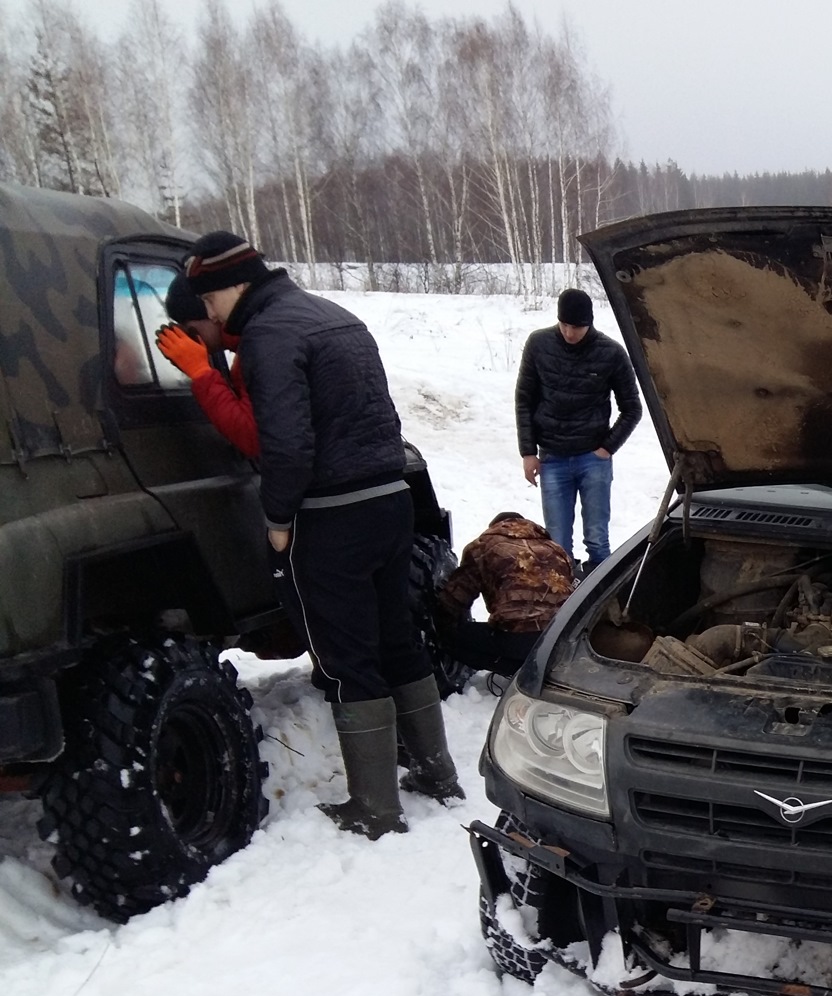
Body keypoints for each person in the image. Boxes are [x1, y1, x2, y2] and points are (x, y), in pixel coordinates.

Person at [185, 229, 463, 839]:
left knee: (345, 658)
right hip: (390, 499)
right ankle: (437, 774)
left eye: (208, 300)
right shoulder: (335, 315)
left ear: (234, 285)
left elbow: (285, 446)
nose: (210, 314)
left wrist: (278, 520)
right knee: (397, 640)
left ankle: (375, 808)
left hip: (332, 514)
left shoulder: (269, 336)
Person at [515, 288, 641, 573]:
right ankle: (564, 593)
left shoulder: (611, 353)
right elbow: (524, 400)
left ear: (589, 323)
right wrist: (528, 452)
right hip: (552, 457)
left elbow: (632, 408)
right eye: (564, 325)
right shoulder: (539, 344)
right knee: (557, 544)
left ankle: (601, 590)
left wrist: (607, 448)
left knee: (597, 539)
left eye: (577, 327)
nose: (570, 333)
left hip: (592, 458)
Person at [436, 511, 576, 675]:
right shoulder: (556, 549)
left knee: (449, 637)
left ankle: (515, 668)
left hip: (516, 640)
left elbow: (456, 597)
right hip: (559, 640)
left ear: (495, 527)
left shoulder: (483, 545)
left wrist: (439, 621)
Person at [155, 276, 257, 456]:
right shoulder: (247, 344)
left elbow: (252, 437)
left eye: (188, 326)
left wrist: (201, 372)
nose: (186, 337)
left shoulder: (256, 349)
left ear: (212, 317)